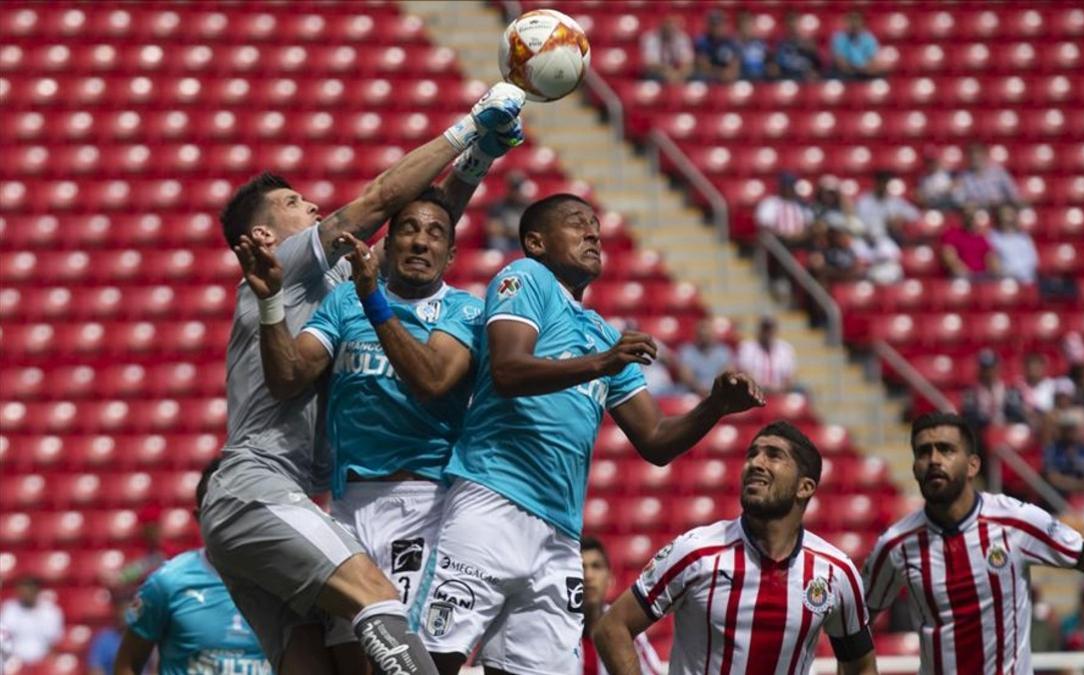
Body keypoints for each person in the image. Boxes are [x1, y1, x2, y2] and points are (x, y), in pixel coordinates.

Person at [199, 81, 527, 674]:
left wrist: (478, 162)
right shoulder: (290, 268)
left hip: (278, 502)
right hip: (261, 488)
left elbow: (419, 231)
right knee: (376, 597)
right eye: (298, 203)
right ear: (268, 235)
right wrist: (468, 126)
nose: (316, 209)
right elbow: (382, 199)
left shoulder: (327, 292)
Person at [413, 193, 765, 674]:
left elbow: (656, 440)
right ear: (536, 241)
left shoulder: (602, 333)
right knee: (432, 662)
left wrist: (715, 407)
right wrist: (603, 362)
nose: (594, 234)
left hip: (559, 531)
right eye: (578, 223)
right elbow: (509, 371)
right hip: (491, 502)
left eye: (596, 225)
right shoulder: (527, 278)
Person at [247, 187, 485, 657]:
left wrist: (374, 299)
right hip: (347, 505)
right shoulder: (343, 305)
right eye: (409, 230)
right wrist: (272, 300)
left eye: (435, 234)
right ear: (388, 243)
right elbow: (289, 378)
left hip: (423, 504)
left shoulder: (466, 311)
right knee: (349, 659)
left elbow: (432, 380)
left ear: (451, 254)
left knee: (404, 658)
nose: (420, 242)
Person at [864, 412, 1084, 675]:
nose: (934, 459)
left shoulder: (1016, 522)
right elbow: (856, 623)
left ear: (973, 465)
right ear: (915, 468)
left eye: (946, 449)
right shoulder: (896, 545)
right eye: (924, 452)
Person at [594, 421, 879, 674]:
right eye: (752, 454)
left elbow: (861, 665)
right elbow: (612, 628)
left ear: (804, 488)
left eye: (774, 455)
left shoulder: (836, 572)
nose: (756, 463)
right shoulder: (696, 553)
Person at [116, 459, 270, 675]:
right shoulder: (167, 582)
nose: (231, 521)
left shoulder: (284, 584)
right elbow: (127, 663)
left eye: (240, 510)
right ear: (199, 518)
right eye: (220, 511)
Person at [576, 536, 664, 675]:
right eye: (581, 567)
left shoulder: (625, 629)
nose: (588, 576)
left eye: (596, 566)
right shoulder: (558, 630)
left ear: (610, 577)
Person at [0, 577, 63, 666]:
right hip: (13, 661)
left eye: (29, 591)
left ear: (36, 591)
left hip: (42, 660)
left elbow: (54, 642)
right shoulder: (9, 609)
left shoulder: (50, 611)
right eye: (22, 591)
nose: (25, 594)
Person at [962, 349, 1028, 431]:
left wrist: (1003, 424)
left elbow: (1016, 413)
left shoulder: (1010, 390)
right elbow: (970, 415)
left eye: (992, 368)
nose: (989, 372)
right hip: (982, 431)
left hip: (1005, 428)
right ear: (980, 370)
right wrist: (989, 424)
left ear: (998, 368)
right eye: (985, 369)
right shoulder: (970, 392)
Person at [855, 170, 921, 243]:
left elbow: (915, 214)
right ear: (876, 183)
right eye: (882, 183)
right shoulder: (864, 201)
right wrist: (885, 223)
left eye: (886, 183)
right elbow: (861, 223)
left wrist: (901, 217)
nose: (884, 186)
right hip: (870, 239)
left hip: (891, 238)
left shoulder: (893, 199)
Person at [1043, 410, 1084, 496]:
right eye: (1067, 428)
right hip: (1059, 495)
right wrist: (1078, 484)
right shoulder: (1052, 449)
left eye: (1073, 428)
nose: (1070, 432)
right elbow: (1053, 478)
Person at [736, 315, 796, 394]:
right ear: (760, 330)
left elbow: (789, 378)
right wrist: (763, 387)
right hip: (753, 393)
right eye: (765, 329)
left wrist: (778, 388)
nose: (768, 332)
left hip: (780, 392)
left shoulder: (785, 349)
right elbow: (745, 374)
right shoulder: (747, 348)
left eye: (770, 329)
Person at [754, 171, 812, 249]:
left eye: (790, 186)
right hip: (777, 243)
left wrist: (799, 235)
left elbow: (808, 225)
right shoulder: (769, 204)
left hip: (799, 241)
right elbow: (765, 227)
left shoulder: (801, 205)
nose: (788, 189)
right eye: (785, 186)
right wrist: (785, 236)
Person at [955, 142, 1022, 210]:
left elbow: (1013, 194)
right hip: (977, 210)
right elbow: (959, 200)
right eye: (972, 155)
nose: (975, 158)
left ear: (985, 155)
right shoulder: (963, 177)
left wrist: (1002, 202)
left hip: (999, 208)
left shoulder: (998, 173)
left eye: (978, 155)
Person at [676, 317, 733, 397]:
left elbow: (728, 372)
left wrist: (713, 389)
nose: (704, 335)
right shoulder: (687, 351)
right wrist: (699, 389)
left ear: (713, 334)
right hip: (692, 393)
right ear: (697, 334)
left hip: (718, 392)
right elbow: (685, 375)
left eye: (707, 333)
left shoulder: (723, 351)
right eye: (702, 333)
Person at [940, 207, 1000, 279]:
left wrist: (996, 270)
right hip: (962, 276)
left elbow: (991, 256)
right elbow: (949, 255)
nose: (971, 220)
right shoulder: (952, 233)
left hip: (982, 276)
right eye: (969, 217)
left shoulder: (982, 237)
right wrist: (962, 270)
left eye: (973, 217)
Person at [987, 203, 1038, 283]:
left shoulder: (1024, 237)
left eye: (1009, 214)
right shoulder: (992, 237)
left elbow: (1033, 260)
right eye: (1004, 215)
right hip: (1006, 281)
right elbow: (993, 261)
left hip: (1027, 279)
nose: (1007, 219)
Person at [486, 170, 532, 253]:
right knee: (497, 241)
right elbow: (492, 229)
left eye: (518, 189)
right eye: (514, 189)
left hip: (522, 240)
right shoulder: (498, 206)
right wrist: (512, 231)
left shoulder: (529, 206)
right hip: (507, 241)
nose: (516, 193)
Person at [640, 15, 694, 83]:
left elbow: (687, 62)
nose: (670, 31)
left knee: (698, 77)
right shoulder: (650, 38)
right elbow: (651, 64)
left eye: (673, 29)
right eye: (668, 28)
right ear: (662, 27)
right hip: (657, 71)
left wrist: (680, 74)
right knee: (654, 77)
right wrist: (669, 72)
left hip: (677, 71)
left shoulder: (682, 37)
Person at [830, 10, 880, 79]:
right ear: (846, 23)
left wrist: (865, 69)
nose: (854, 24)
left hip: (865, 72)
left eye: (856, 21)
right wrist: (857, 69)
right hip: (846, 73)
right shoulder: (839, 38)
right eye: (851, 21)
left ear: (862, 23)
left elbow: (873, 61)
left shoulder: (869, 38)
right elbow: (841, 63)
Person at [773, 11, 822, 81]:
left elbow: (817, 64)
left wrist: (814, 72)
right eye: (790, 23)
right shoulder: (782, 43)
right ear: (786, 25)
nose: (793, 26)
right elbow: (777, 63)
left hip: (805, 76)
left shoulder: (809, 43)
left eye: (795, 23)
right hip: (786, 75)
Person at [694, 10, 739, 83]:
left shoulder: (731, 42)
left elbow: (735, 64)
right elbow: (703, 65)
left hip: (728, 76)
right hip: (710, 76)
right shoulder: (702, 41)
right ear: (709, 26)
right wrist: (721, 74)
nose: (717, 28)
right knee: (699, 78)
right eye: (714, 25)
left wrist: (729, 73)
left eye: (720, 24)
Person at [87, 599, 128, 675]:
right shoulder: (104, 639)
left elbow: (154, 667)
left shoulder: (146, 637)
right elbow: (95, 669)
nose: (124, 615)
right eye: (122, 611)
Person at [732, 11, 769, 81]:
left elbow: (768, 60)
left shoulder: (760, 43)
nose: (747, 29)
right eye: (744, 25)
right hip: (742, 77)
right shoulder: (733, 44)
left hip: (761, 77)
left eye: (749, 25)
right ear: (738, 27)